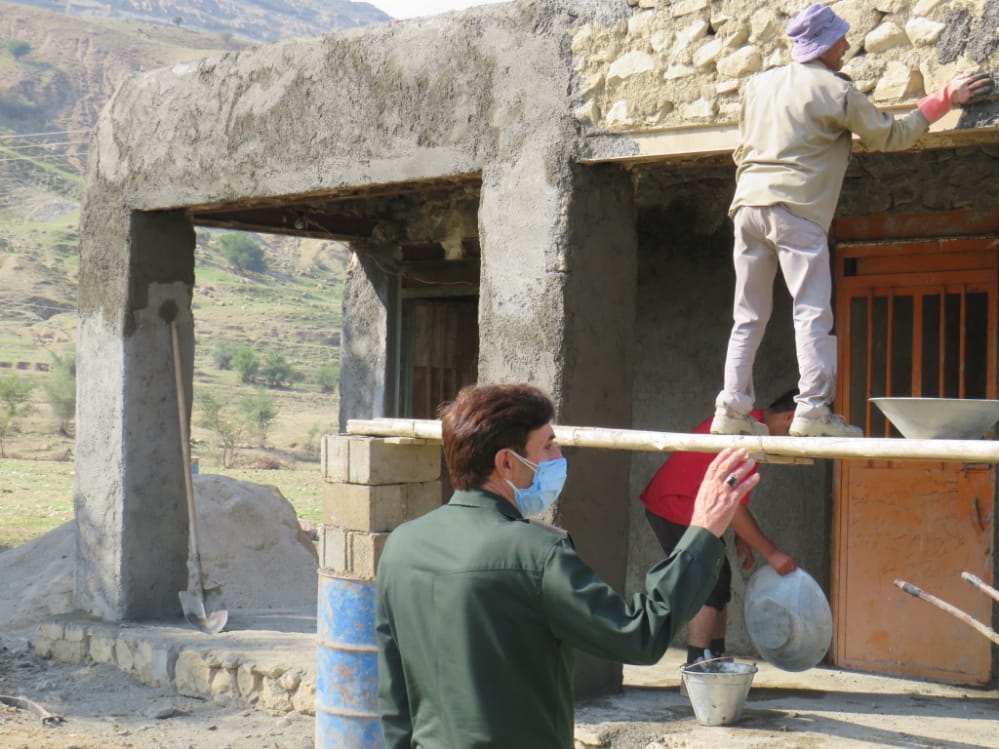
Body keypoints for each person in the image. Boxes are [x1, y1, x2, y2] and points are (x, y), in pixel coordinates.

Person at [376, 383, 758, 749]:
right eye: (548, 445)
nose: (558, 458)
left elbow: (395, 702)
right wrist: (704, 531)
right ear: (506, 462)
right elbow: (639, 634)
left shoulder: (401, 547)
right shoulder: (535, 552)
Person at [711, 3, 994, 438]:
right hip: (797, 210)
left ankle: (730, 410)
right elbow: (892, 135)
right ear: (823, 46)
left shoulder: (758, 85)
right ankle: (814, 411)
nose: (846, 45)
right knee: (810, 312)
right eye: (840, 39)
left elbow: (741, 149)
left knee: (748, 315)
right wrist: (943, 99)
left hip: (747, 206)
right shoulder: (834, 91)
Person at [643, 390, 799, 667]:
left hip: (683, 502)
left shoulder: (752, 426)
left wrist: (742, 537)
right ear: (790, 418)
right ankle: (697, 665)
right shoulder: (746, 434)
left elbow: (734, 497)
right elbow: (735, 507)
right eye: (803, 434)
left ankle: (715, 657)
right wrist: (771, 553)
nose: (800, 443)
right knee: (708, 583)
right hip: (675, 503)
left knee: (718, 578)